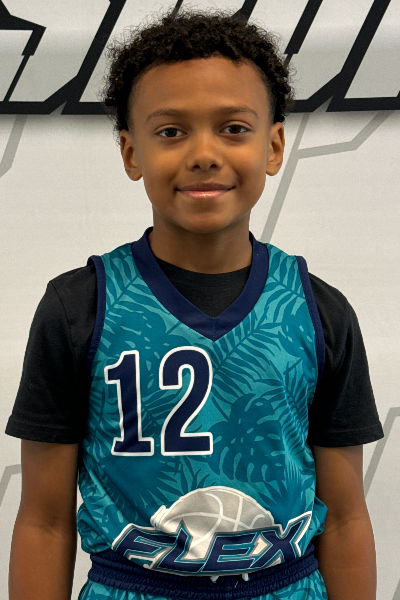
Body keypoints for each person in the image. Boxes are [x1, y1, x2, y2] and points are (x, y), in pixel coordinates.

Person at [6, 7, 384, 600]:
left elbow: (345, 518)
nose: (204, 153)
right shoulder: (77, 308)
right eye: (171, 132)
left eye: (233, 128)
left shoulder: (319, 312)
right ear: (131, 152)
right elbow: (44, 521)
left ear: (273, 145)